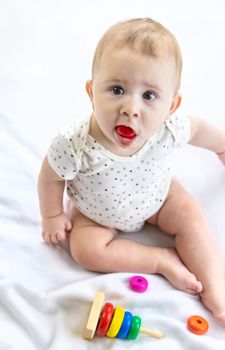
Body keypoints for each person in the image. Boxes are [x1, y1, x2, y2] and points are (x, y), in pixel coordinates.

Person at [38, 17, 225, 325]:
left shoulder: (169, 128)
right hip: (95, 213)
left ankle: (216, 291)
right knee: (84, 250)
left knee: (190, 215)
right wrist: (52, 215)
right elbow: (50, 175)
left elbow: (200, 130)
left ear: (171, 106)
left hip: (158, 198)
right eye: (116, 89)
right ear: (91, 91)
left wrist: (221, 146)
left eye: (149, 96)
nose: (131, 108)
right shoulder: (75, 142)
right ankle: (159, 260)